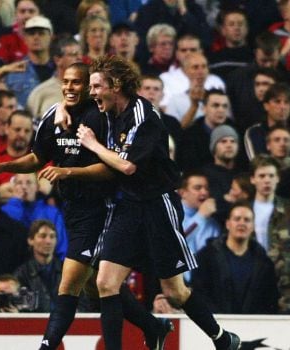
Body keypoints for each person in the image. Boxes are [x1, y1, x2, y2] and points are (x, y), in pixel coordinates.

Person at [0, 62, 163, 350]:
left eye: (77, 82)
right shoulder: (54, 114)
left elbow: (109, 168)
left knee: (70, 284)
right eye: (66, 82)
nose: (69, 87)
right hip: (73, 209)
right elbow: (38, 157)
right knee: (93, 285)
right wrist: (4, 165)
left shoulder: (101, 117)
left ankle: (46, 346)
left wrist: (67, 172)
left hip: (101, 208)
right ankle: (153, 325)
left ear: (89, 87)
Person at [76, 55, 240, 349]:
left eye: (97, 86)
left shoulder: (144, 114)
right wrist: (64, 113)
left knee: (174, 290)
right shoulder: (106, 110)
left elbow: (127, 167)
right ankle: (150, 329)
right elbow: (77, 110)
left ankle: (222, 338)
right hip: (128, 204)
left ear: (115, 85)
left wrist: (93, 144)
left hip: (157, 205)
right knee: (105, 282)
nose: (92, 93)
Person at [249, 155, 290, 314]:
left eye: (271, 175)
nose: (267, 180)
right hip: (250, 290)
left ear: (278, 179)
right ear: (253, 179)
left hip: (285, 293)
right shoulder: (243, 211)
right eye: (262, 176)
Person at [192, 202, 279, 314]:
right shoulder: (206, 256)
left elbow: (270, 300)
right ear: (228, 224)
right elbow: (200, 294)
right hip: (216, 325)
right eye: (237, 219)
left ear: (253, 226)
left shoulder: (264, 262)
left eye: (247, 220)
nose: (241, 223)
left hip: (254, 326)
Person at [13, 220, 62, 313]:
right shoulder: (22, 274)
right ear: (31, 240)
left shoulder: (68, 271)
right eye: (43, 236)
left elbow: (82, 305)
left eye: (52, 236)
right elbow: (24, 311)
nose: (48, 241)